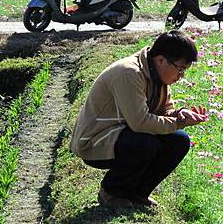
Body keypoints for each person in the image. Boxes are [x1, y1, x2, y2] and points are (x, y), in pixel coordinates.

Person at [70, 31, 208, 208]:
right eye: (180, 68)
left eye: (184, 70)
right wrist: (177, 122)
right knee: (144, 143)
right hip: (95, 141)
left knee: (179, 140)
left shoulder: (158, 75)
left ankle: (137, 194)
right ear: (160, 60)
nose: (181, 75)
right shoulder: (129, 73)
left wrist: (179, 115)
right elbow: (140, 122)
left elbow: (164, 111)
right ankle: (111, 192)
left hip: (122, 134)